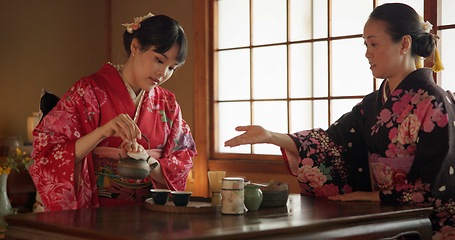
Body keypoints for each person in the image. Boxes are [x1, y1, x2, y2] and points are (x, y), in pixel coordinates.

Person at [225, 3, 454, 238]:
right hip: (386, 216)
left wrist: (374, 196)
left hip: (429, 223)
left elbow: (438, 183)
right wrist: (271, 136)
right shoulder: (371, 104)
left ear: (404, 44)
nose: (367, 53)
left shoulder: (434, 101)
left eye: (374, 44)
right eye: (366, 45)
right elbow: (331, 142)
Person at [30, 13, 197, 211]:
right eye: (159, 60)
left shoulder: (168, 104)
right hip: (95, 211)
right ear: (135, 47)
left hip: (151, 214)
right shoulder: (88, 91)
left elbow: (181, 163)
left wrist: (147, 161)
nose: (163, 73)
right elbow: (47, 152)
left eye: (172, 68)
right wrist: (101, 132)